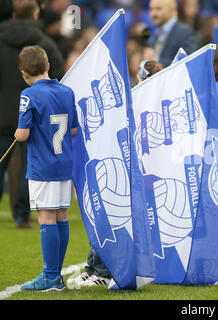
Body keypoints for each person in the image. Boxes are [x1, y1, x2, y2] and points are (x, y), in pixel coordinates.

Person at [68, 59, 165, 288]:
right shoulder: (142, 100)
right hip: (132, 171)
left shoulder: (141, 100)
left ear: (142, 76)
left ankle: (102, 271)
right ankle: (93, 268)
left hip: (130, 173)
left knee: (112, 218)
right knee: (107, 216)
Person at [15, 46, 77, 291]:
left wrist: (20, 132)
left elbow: (22, 134)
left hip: (43, 165)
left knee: (47, 218)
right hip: (64, 163)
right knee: (61, 216)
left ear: (23, 73)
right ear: (48, 66)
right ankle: (56, 275)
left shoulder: (28, 95)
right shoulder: (67, 91)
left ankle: (51, 276)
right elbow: (72, 129)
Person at [0, 0, 65, 229]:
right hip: (38, 120)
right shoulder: (45, 44)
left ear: (15, 14)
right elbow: (58, 76)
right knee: (31, 167)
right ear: (36, 15)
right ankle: (22, 215)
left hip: (2, 117)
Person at [148, 0, 198, 67]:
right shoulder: (157, 32)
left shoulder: (185, 32)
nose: (153, 14)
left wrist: (155, 60)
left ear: (172, 10)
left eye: (158, 8)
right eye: (151, 9)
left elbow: (188, 64)